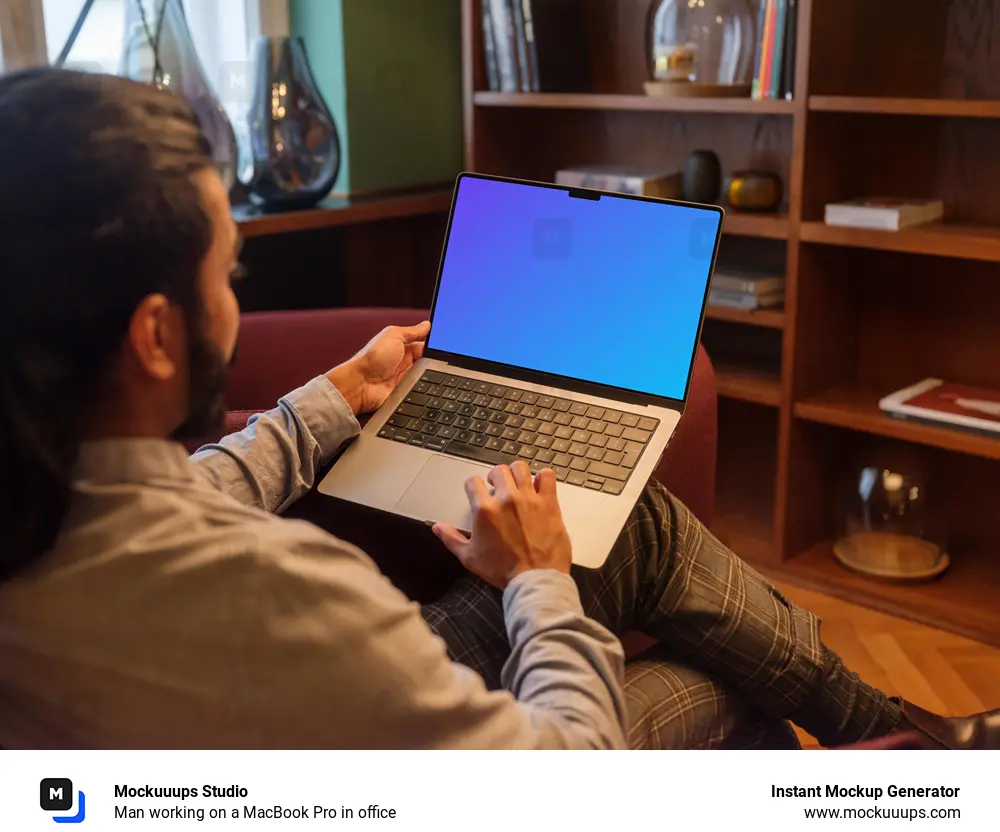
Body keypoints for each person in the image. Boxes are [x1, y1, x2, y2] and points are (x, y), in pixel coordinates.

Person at [0, 69, 993, 750]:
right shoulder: (283, 592)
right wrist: (536, 579)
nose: (237, 296)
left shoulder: (37, 503)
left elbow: (182, 487)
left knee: (638, 537)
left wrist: (333, 399)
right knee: (729, 691)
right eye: (229, 272)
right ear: (156, 337)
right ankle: (899, 752)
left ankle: (894, 735)